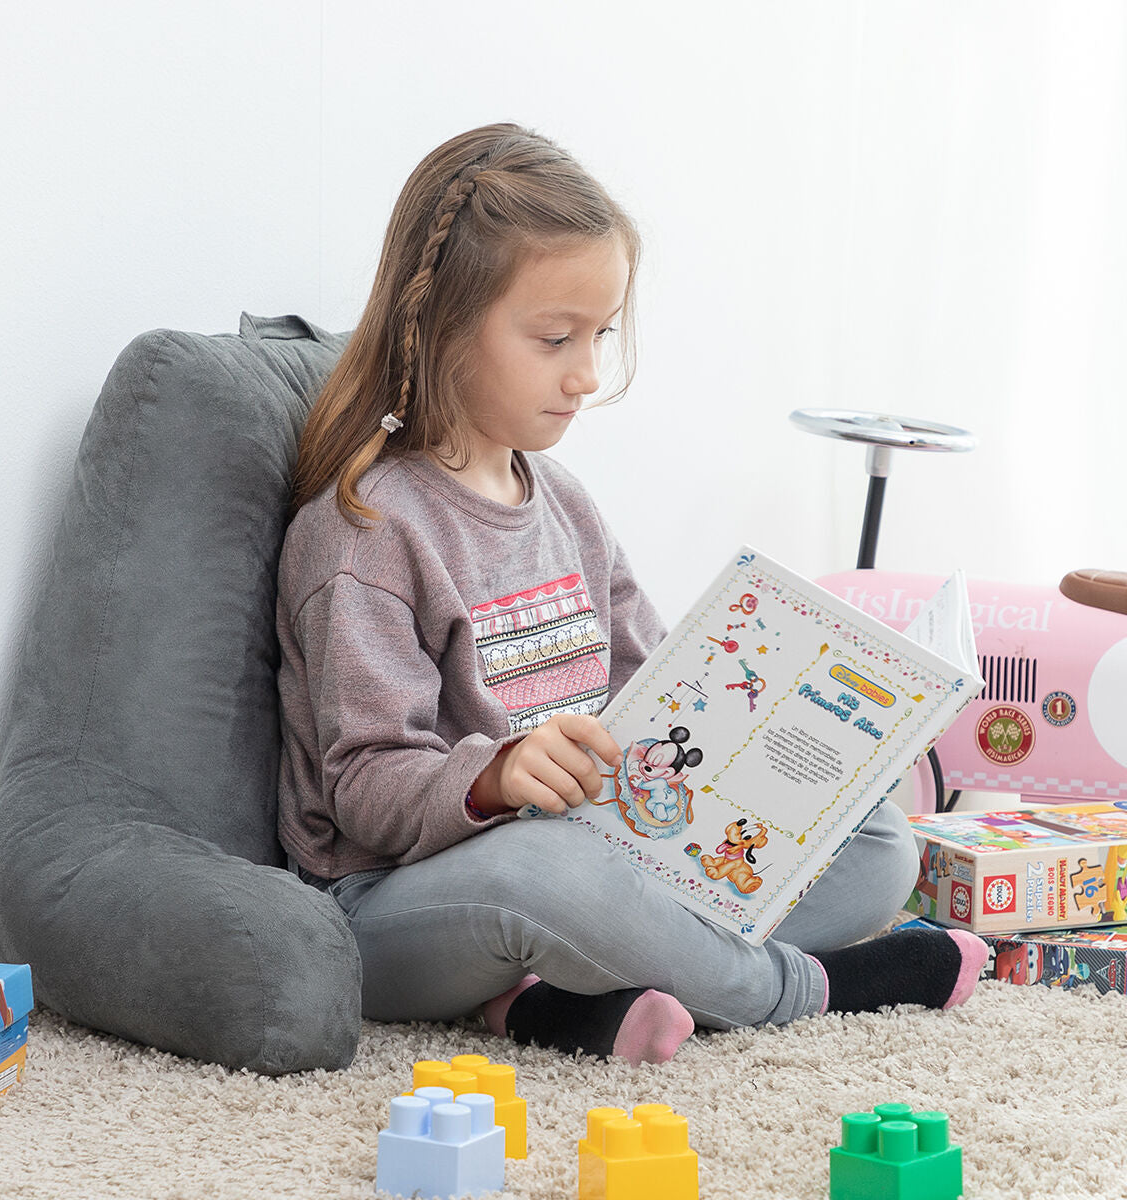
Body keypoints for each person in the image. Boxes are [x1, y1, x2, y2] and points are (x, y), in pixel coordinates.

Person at [276, 122, 986, 1066]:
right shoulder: (366, 531)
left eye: (601, 334)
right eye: (554, 338)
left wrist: (785, 749)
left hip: (594, 851)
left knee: (878, 844)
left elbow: (653, 687)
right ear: (439, 324)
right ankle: (798, 991)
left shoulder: (563, 502)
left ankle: (560, 1002)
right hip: (395, 903)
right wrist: (493, 776)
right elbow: (363, 787)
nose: (588, 373)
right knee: (555, 875)